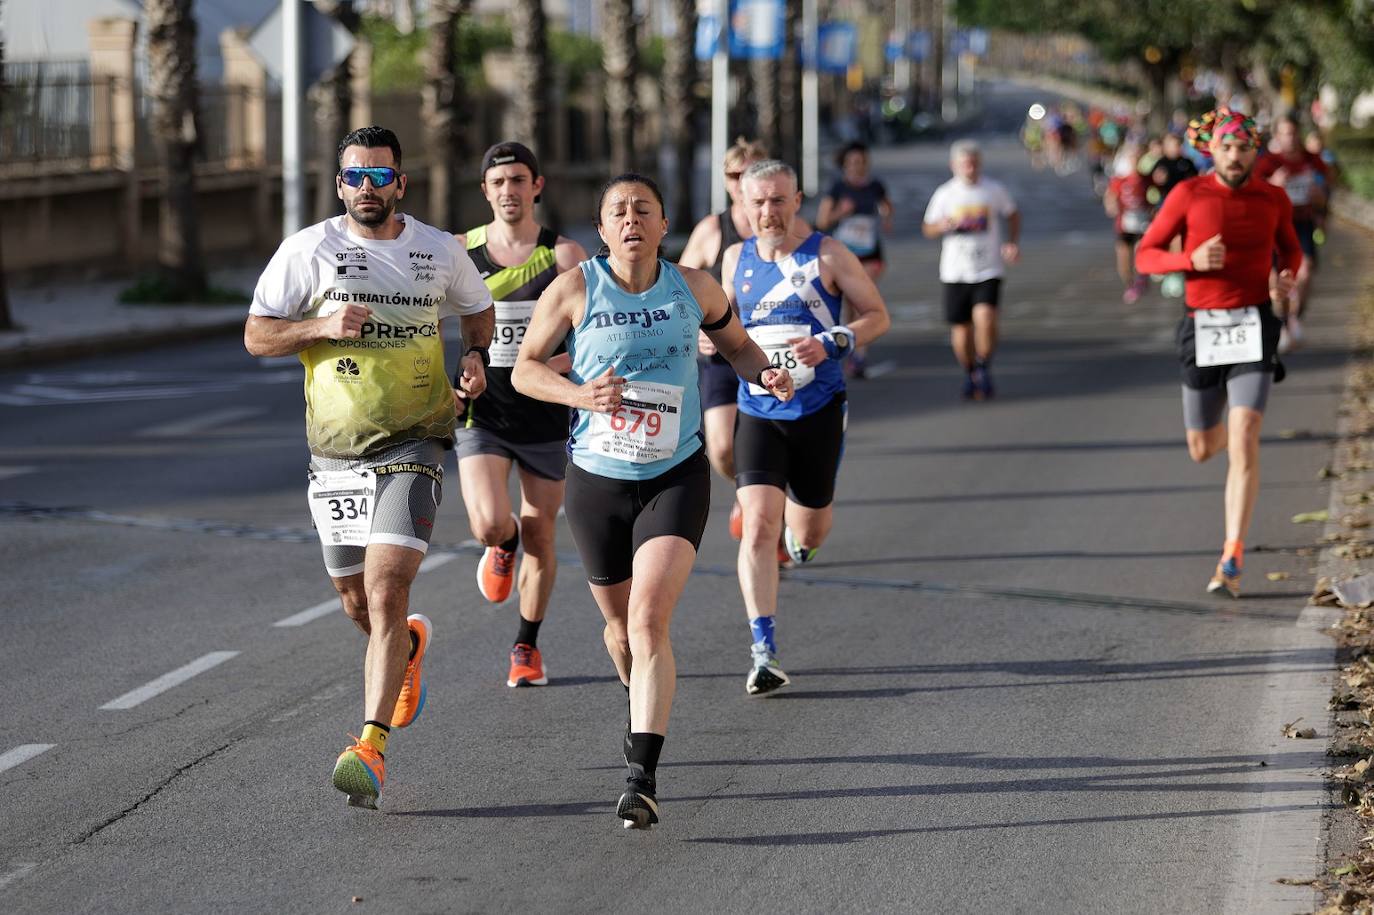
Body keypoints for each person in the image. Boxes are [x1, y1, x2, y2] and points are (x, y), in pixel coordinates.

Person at [512, 174, 793, 828]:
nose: (632, 219)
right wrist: (583, 396)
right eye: (618, 211)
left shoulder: (692, 287)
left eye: (644, 209)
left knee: (647, 621)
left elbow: (738, 346)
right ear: (602, 230)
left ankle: (642, 772)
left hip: (675, 473)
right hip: (597, 481)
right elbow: (525, 369)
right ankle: (644, 701)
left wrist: (765, 373)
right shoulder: (576, 288)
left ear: (665, 225)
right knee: (619, 632)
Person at [244, 126, 495, 808]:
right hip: (334, 455)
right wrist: (319, 326)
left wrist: (475, 360)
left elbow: (478, 311)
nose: (368, 189)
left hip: (415, 440)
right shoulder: (308, 251)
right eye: (357, 177)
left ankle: (370, 745)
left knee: (386, 589)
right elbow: (257, 332)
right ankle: (406, 650)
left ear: (401, 184)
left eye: (381, 177)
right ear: (340, 184)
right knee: (357, 601)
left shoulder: (439, 250)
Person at [723, 159, 891, 696]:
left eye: (778, 200)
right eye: (758, 202)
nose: (768, 212)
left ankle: (805, 542)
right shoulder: (734, 258)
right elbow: (719, 321)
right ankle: (763, 649)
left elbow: (877, 315)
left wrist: (835, 340)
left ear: (796, 201)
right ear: (742, 207)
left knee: (810, 529)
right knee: (757, 526)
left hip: (818, 411)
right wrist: (711, 340)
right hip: (757, 411)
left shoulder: (827, 254)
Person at [1135, 107, 1301, 598]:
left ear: (1256, 150)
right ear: (1212, 149)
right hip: (1201, 327)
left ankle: (1232, 553)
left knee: (1245, 434)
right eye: (1226, 147)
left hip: (1254, 323)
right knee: (1203, 448)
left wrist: (1284, 278)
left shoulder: (1272, 198)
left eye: (1244, 147)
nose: (1235, 155)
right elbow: (1146, 253)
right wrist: (1190, 259)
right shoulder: (1189, 194)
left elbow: (1291, 249)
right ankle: (1224, 437)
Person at [454, 142, 588, 688]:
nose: (508, 191)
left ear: (537, 186)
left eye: (518, 180)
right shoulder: (461, 252)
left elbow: (595, 336)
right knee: (489, 522)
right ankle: (499, 546)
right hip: (484, 410)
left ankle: (525, 647)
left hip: (546, 413)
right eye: (498, 182)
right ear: (485, 191)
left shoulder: (564, 256)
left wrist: (547, 364)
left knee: (542, 534)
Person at [678, 137, 770, 539]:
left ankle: (766, 509)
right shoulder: (714, 229)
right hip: (722, 355)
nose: (741, 182)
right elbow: (677, 289)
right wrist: (698, 328)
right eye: (734, 175)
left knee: (772, 446)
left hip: (770, 352)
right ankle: (747, 492)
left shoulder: (781, 227)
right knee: (720, 449)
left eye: (750, 173)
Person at [922, 139, 1020, 400]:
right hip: (955, 271)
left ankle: (984, 366)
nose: (970, 168)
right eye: (965, 164)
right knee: (961, 332)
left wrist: (1011, 242)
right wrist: (941, 226)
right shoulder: (945, 194)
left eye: (974, 163)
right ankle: (969, 370)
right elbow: (928, 228)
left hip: (988, 269)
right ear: (954, 166)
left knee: (986, 318)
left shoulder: (993, 190)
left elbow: (1012, 213)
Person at [816, 142, 893, 378]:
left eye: (861, 162)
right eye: (852, 163)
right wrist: (841, 212)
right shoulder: (838, 188)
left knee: (863, 300)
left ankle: (859, 355)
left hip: (870, 252)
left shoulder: (876, 186)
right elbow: (822, 221)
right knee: (849, 304)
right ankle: (850, 346)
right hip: (844, 255)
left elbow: (887, 208)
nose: (857, 167)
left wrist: (886, 218)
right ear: (845, 165)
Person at [1254, 114, 1328, 351]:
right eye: (1286, 133)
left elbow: (1326, 190)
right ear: (1277, 136)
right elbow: (1254, 193)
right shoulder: (1268, 163)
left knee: (1305, 272)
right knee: (1281, 278)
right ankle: (1286, 322)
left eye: (1294, 133)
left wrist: (1321, 200)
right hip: (1276, 225)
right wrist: (1273, 185)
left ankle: (1295, 317)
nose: (1291, 138)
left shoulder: (1312, 160)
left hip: (1302, 222)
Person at [1150, 133, 1200, 299]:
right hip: (1166, 205)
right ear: (1165, 146)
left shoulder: (1187, 163)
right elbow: (1151, 183)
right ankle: (1165, 268)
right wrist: (1157, 181)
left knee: (1180, 239)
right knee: (1166, 238)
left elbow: (1197, 182)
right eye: (1172, 145)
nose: (1176, 148)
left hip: (1186, 206)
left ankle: (1176, 273)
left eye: (1178, 145)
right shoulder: (1161, 163)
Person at [1104, 142, 1152, 304]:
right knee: (1124, 257)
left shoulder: (1147, 178)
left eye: (1137, 157)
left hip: (1142, 222)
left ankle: (1141, 280)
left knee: (1141, 253)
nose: (1134, 161)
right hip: (1124, 223)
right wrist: (1111, 206)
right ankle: (1129, 284)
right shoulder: (1120, 180)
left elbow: (1156, 194)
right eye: (1132, 158)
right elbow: (1110, 196)